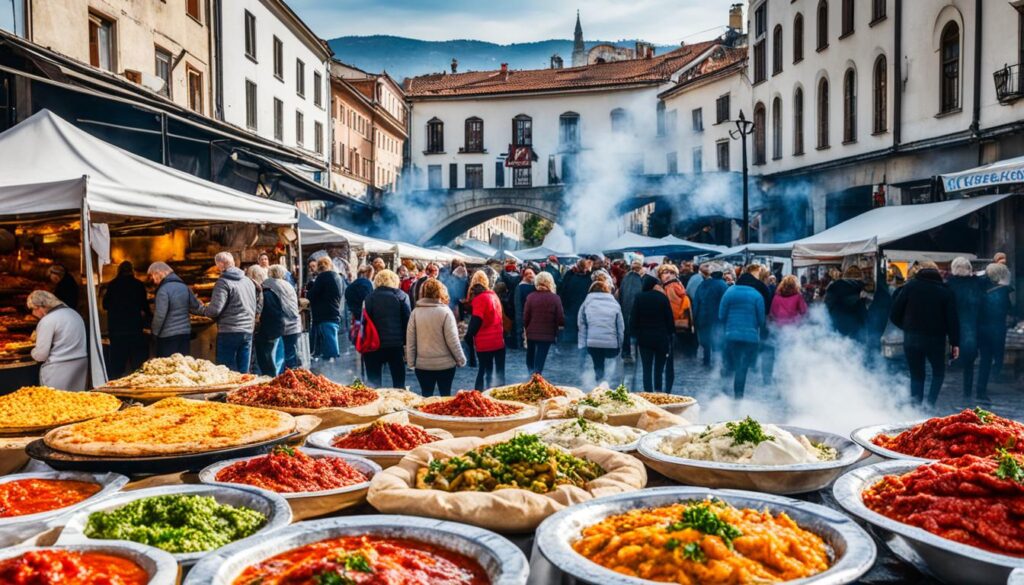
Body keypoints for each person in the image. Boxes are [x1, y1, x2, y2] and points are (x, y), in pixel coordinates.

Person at [889, 261, 960, 406]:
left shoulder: (910, 287)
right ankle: (930, 404)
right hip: (936, 340)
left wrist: (907, 328)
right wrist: (955, 343)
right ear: (937, 272)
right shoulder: (946, 291)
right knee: (938, 372)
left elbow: (894, 314)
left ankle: (915, 407)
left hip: (912, 339)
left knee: (916, 375)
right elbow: (952, 320)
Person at [198, 252, 258, 373]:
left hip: (230, 331)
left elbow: (214, 310)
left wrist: (201, 309)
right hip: (247, 330)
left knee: (226, 371)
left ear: (220, 264)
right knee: (243, 372)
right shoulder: (248, 281)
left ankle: (229, 392)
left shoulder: (223, 282)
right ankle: (242, 391)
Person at [406, 278, 466, 397]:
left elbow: (411, 340)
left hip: (423, 365)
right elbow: (453, 340)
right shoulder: (445, 312)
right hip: (445, 365)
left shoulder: (415, 312)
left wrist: (411, 362)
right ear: (441, 292)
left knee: (426, 397)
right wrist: (461, 359)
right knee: (445, 397)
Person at [28, 290, 87, 390]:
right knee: (76, 401)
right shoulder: (74, 314)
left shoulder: (47, 320)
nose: (33, 313)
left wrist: (32, 352)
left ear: (40, 307)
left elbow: (41, 355)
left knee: (55, 403)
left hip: (58, 370)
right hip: (80, 365)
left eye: (33, 309)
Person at [363, 269, 411, 387]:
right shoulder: (402, 296)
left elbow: (364, 322)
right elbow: (407, 321)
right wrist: (406, 343)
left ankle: (376, 404)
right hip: (395, 345)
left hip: (374, 345)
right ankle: (399, 403)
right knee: (399, 383)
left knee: (374, 385)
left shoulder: (369, 297)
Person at [102, 261, 151, 379]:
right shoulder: (138, 285)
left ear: (119, 271)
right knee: (136, 360)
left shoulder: (112, 285)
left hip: (117, 329)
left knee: (118, 360)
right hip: (134, 328)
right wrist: (150, 318)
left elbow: (105, 305)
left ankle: (116, 382)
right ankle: (138, 382)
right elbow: (144, 305)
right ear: (132, 271)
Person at [719, 278, 765, 399]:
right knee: (742, 367)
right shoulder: (757, 295)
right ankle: (738, 395)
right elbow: (762, 320)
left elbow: (721, 315)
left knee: (728, 363)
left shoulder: (729, 292)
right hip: (750, 337)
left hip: (731, 335)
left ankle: (722, 392)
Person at [946, 257, 983, 399]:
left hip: (954, 326)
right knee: (969, 363)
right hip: (972, 326)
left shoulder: (949, 285)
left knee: (951, 356)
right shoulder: (976, 284)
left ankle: (946, 392)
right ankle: (967, 391)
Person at [631, 275, 675, 392]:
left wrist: (634, 334)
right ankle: (658, 391)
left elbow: (633, 319)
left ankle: (648, 392)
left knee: (646, 369)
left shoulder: (639, 297)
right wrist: (670, 334)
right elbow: (669, 319)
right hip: (661, 338)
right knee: (659, 369)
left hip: (644, 339)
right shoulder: (662, 297)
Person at [977, 263, 1013, 399]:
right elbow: (1008, 309)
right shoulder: (1002, 292)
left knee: (985, 360)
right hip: (996, 329)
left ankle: (981, 390)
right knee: (996, 359)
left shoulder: (981, 287)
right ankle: (987, 386)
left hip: (981, 328)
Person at [148, 262, 200, 357]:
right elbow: (195, 307)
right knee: (182, 366)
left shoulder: (163, 290)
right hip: (185, 334)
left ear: (159, 272)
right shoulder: (185, 287)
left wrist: (154, 333)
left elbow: (160, 316)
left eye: (153, 276)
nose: (154, 281)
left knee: (167, 367)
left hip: (167, 337)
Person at [578, 280, 624, 383]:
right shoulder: (614, 303)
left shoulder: (586, 302)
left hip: (593, 342)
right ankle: (608, 382)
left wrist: (583, 343)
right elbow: (620, 326)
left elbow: (581, 324)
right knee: (611, 364)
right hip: (612, 343)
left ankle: (598, 382)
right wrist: (621, 343)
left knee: (598, 364)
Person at [466, 270, 505, 390]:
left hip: (485, 343)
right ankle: (498, 397)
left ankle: (480, 396)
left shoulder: (480, 299)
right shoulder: (494, 296)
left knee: (483, 371)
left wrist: (468, 336)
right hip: (498, 341)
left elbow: (476, 320)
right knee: (499, 373)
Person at [658, 263, 692, 385]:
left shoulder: (670, 287)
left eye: (669, 273)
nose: (666, 275)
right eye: (664, 273)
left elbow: (671, 307)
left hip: (670, 323)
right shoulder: (678, 285)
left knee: (668, 358)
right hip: (676, 323)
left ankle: (665, 386)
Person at [523, 271, 563, 375]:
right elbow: (560, 318)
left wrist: (526, 329)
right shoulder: (555, 298)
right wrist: (558, 330)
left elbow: (526, 316)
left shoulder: (531, 297)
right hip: (547, 334)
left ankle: (530, 378)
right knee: (540, 359)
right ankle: (536, 378)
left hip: (531, 332)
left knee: (530, 358)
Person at [248, 265, 284, 376]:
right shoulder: (270, 291)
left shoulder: (262, 293)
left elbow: (265, 314)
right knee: (269, 360)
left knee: (266, 361)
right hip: (274, 331)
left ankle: (271, 382)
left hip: (267, 333)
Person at [307, 256, 344, 362]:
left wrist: (310, 288)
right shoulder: (337, 276)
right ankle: (331, 364)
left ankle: (331, 368)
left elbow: (311, 295)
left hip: (324, 314)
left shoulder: (322, 277)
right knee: (331, 338)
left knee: (329, 344)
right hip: (333, 311)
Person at [266, 265, 302, 369]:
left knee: (277, 355)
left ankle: (280, 377)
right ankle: (292, 376)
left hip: (279, 324)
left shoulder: (267, 284)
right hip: (293, 323)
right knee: (290, 353)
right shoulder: (288, 285)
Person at [694, 263, 729, 367]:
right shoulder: (723, 285)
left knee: (706, 341)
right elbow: (725, 303)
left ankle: (706, 360)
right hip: (717, 318)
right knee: (717, 341)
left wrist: (695, 318)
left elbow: (696, 302)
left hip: (703, 317)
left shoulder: (702, 284)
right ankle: (717, 364)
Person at [825, 266, 868, 340]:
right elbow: (863, 315)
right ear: (860, 277)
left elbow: (826, 308)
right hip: (855, 332)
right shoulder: (860, 291)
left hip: (835, 329)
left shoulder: (833, 288)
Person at [559, 258, 593, 341]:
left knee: (571, 333)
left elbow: (563, 291)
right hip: (584, 309)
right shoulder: (589, 279)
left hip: (571, 309)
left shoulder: (571, 278)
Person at [618, 260, 644, 362]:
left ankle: (626, 353)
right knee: (638, 332)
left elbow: (620, 293)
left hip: (625, 308)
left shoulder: (625, 278)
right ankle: (639, 354)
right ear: (640, 269)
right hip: (637, 309)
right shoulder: (641, 280)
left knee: (626, 332)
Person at [514, 267, 536, 349]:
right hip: (525, 313)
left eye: (531, 273)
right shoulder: (520, 287)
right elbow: (518, 305)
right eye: (528, 274)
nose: (530, 275)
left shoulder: (535, 286)